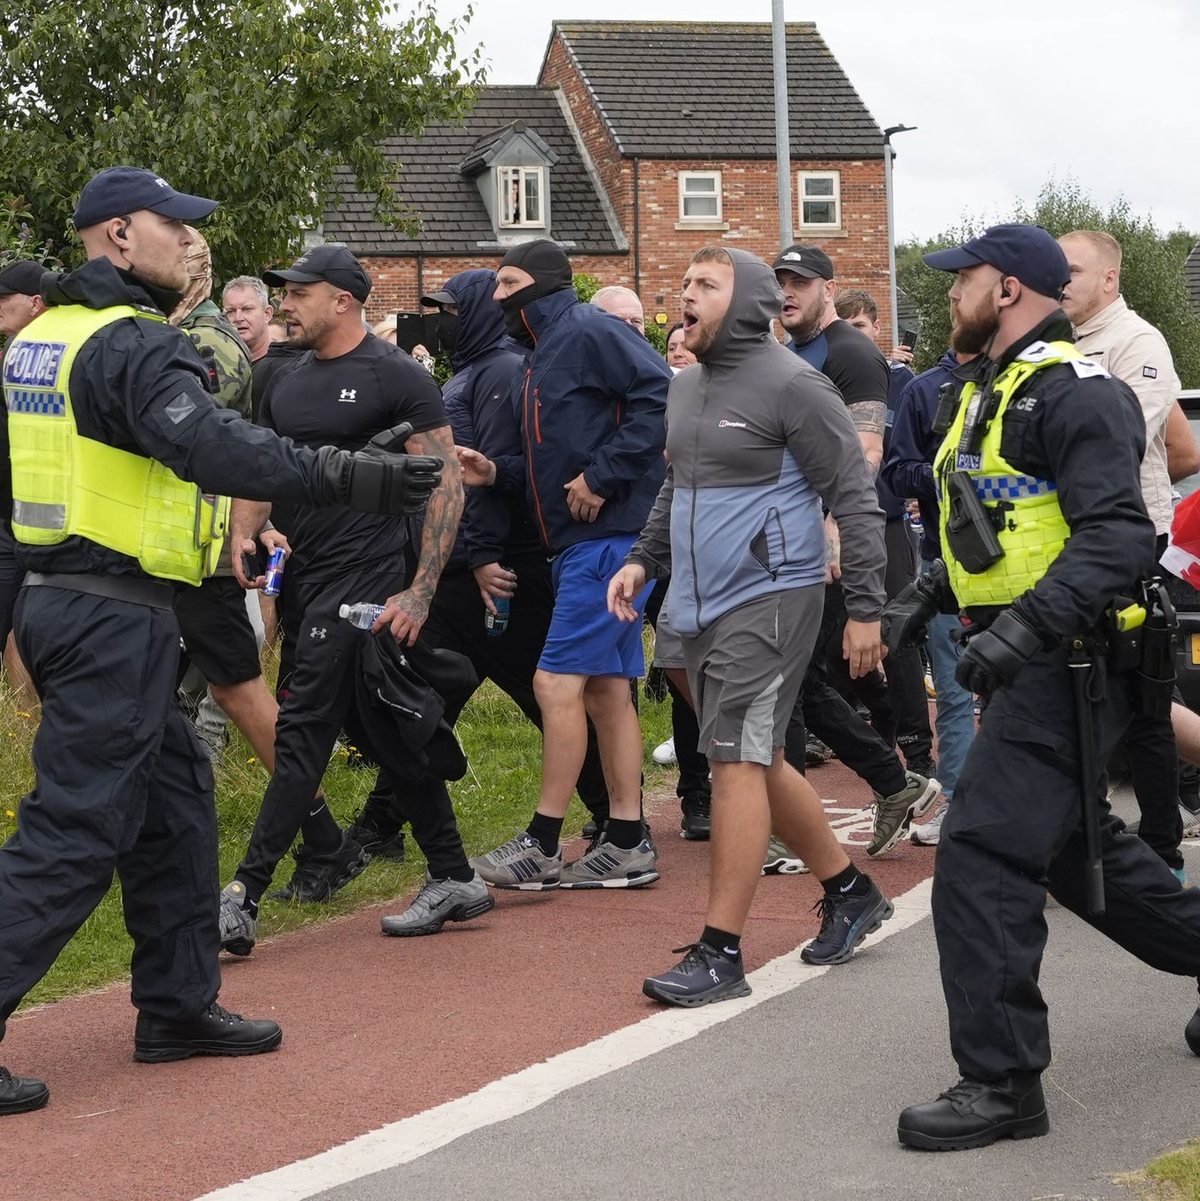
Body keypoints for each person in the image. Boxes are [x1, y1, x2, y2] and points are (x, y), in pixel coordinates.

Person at [0, 166, 441, 1116]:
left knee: (174, 807)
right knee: (75, 829)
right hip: (110, 612)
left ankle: (176, 1004)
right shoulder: (132, 344)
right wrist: (351, 477)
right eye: (175, 226)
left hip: (81, 603)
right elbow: (215, 447)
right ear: (120, 236)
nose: (190, 243)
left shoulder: (44, 339)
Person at [895, 224, 1200, 1151]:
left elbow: (1115, 538)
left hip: (1071, 663)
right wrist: (925, 593)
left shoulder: (1082, 394)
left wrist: (1024, 628)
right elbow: (1002, 528)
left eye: (967, 279)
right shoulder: (988, 390)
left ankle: (1003, 1084)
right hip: (1027, 653)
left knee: (982, 853)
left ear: (1015, 291)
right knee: (1072, 847)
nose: (953, 293)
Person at [608, 245, 896, 1005]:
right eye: (685, 282)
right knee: (750, 751)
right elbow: (679, 481)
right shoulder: (688, 386)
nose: (686, 294)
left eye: (706, 283)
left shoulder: (797, 385)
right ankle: (851, 889)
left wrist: (866, 607)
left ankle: (720, 951)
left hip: (771, 596)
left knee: (736, 758)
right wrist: (642, 559)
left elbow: (857, 498)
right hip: (694, 599)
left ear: (749, 302)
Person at [216, 244, 480, 953]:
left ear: (343, 300)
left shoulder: (396, 377)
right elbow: (256, 463)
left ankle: (244, 895)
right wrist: (251, 530)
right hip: (304, 579)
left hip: (365, 579)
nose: (283, 305)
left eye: (298, 293)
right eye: (283, 293)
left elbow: (445, 484)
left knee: (300, 729)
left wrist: (420, 593)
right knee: (385, 725)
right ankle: (454, 872)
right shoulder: (281, 375)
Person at [345, 268, 615, 918]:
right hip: (465, 573)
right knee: (421, 699)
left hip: (497, 576)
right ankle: (380, 827)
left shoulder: (498, 373)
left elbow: (486, 472)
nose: (438, 317)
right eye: (433, 307)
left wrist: (484, 558)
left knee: (536, 694)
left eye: (448, 307)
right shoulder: (475, 370)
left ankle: (615, 820)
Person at [458, 239, 670, 890]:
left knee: (554, 685)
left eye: (509, 283)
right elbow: (556, 464)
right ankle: (628, 839)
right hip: (585, 542)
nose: (497, 296)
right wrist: (496, 471)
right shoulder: (537, 356)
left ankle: (543, 843)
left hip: (607, 539)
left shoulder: (587, 329)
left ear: (545, 285)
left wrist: (602, 477)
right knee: (606, 691)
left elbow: (661, 397)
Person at [774, 246, 937, 852]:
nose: (788, 292)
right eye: (781, 282)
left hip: (830, 544)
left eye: (801, 282)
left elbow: (865, 454)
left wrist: (835, 535)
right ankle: (895, 781)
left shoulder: (850, 352)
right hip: (793, 541)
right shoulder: (793, 352)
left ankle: (788, 827)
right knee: (806, 681)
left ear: (827, 288)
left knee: (797, 680)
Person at [1059, 229, 1191, 875]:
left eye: (1074, 270)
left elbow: (1122, 439)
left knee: (1141, 701)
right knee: (1084, 694)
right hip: (1075, 538)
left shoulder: (1136, 340)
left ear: (1109, 277)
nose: (1062, 282)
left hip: (1129, 538)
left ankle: (1162, 849)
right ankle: (1086, 843)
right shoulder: (1061, 341)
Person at [832, 287, 936, 781]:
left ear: (878, 329)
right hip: (824, 525)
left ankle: (918, 750)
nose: (854, 337)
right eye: (844, 327)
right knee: (831, 638)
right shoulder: (823, 374)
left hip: (885, 523)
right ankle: (882, 715)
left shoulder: (902, 382)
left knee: (897, 634)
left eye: (861, 327)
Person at [881, 347, 980, 844]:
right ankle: (961, 809)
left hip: (1025, 567)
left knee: (1032, 695)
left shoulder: (1026, 379)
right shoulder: (925, 390)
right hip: (949, 563)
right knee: (956, 693)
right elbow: (896, 472)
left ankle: (1044, 817)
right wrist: (951, 472)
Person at [0, 261, 50, 676]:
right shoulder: (9, 356)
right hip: (8, 516)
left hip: (40, 520)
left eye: (4, 298)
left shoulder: (55, 358)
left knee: (29, 625)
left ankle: (26, 720)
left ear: (35, 303)